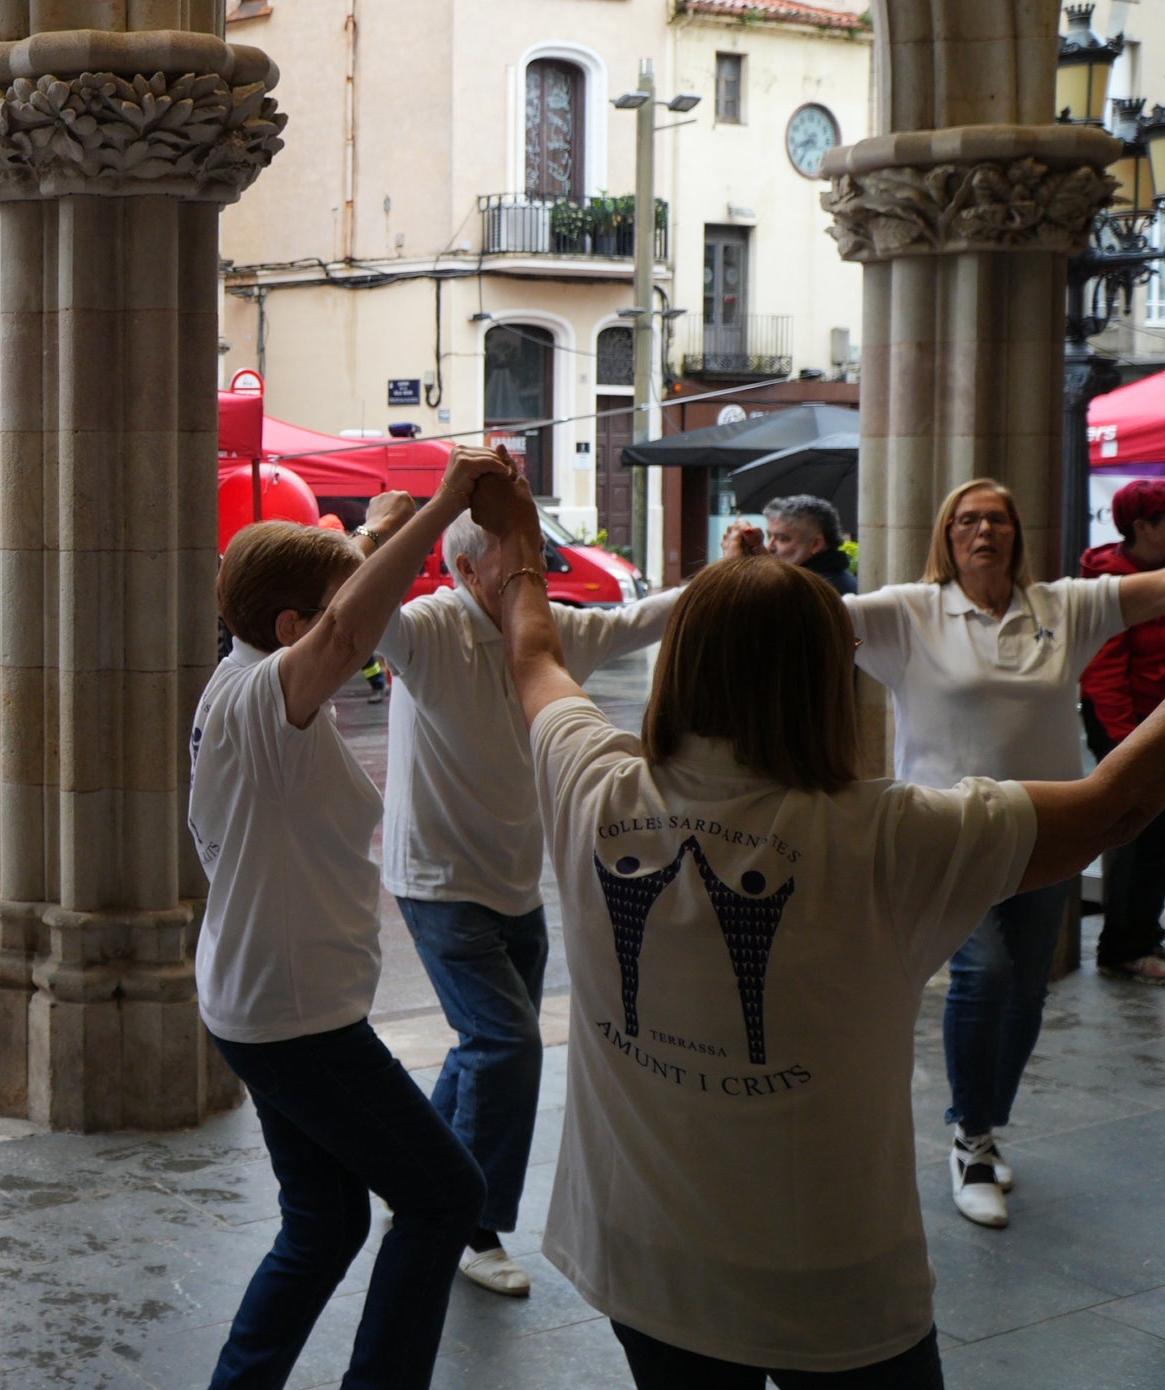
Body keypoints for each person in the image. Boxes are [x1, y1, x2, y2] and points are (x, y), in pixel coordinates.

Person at [476, 466, 1165, 1390]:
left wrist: (520, 543)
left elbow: (533, 657)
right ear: (826, 678)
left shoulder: (590, 780)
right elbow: (1116, 806)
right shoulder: (893, 834)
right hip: (831, 1285)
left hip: (638, 1256)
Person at [188, 446, 509, 1390]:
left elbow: (338, 611)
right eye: (337, 615)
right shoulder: (264, 696)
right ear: (292, 626)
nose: (370, 634)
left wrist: (374, 535)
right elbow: (342, 631)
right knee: (446, 1195)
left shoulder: (245, 684)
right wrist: (447, 504)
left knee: (326, 1223)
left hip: (265, 999)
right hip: (295, 1018)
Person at [376, 504, 682, 1297]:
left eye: (538, 555)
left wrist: (734, 574)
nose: (536, 572)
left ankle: (414, 1175)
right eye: (518, 557)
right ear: (468, 571)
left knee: (483, 1043)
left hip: (514, 880)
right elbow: (360, 609)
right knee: (506, 1043)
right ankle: (470, 1226)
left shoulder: (552, 631)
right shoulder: (430, 628)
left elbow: (642, 619)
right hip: (439, 881)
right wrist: (392, 529)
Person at [846, 477, 1165, 1225]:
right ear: (946, 534)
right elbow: (803, 616)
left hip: (1045, 830)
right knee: (983, 975)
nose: (984, 531)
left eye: (998, 519)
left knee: (1026, 988)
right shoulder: (909, 611)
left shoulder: (1064, 607)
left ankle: (987, 1126)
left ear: (1018, 533)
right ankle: (971, 1138)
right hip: (949, 833)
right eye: (968, 520)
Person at [1079, 477, 1165, 984]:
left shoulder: (1156, 572)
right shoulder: (1110, 583)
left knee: (1157, 835)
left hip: (1155, 721)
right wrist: (1131, 744)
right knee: (1138, 832)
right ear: (1143, 527)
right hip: (1126, 725)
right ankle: (1123, 948)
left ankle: (1143, 934)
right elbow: (1104, 673)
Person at [722, 494, 858, 594]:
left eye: (782, 539)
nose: (769, 547)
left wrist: (733, 567)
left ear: (816, 544)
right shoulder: (831, 578)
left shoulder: (808, 590)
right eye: (769, 536)